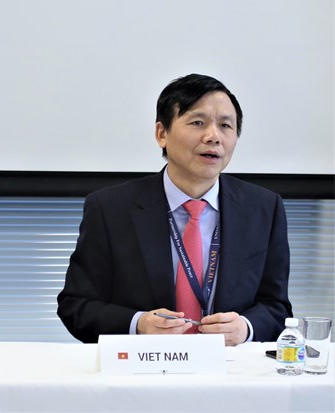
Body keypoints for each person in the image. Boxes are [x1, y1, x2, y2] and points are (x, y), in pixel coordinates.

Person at [57, 73, 292, 346]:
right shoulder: (110, 208)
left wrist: (246, 328)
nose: (213, 136)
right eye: (197, 122)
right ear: (162, 133)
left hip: (230, 375)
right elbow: (76, 306)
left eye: (226, 125)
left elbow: (277, 308)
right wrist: (138, 324)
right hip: (142, 373)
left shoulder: (263, 208)